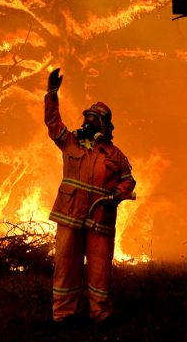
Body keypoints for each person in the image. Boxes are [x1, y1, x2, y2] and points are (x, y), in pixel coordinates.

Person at [44, 67, 136, 324]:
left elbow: (128, 180)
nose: (91, 122)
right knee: (66, 266)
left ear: (105, 126)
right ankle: (63, 315)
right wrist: (51, 94)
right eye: (89, 117)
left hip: (99, 219)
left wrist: (118, 193)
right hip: (71, 217)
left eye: (97, 119)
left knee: (99, 272)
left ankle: (101, 314)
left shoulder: (114, 154)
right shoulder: (70, 142)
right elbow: (53, 124)